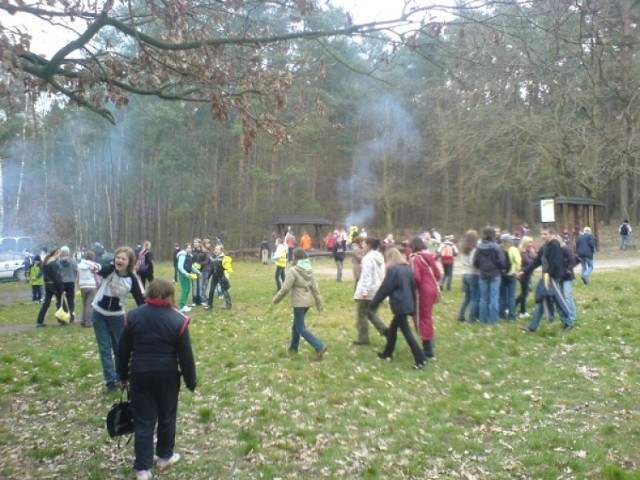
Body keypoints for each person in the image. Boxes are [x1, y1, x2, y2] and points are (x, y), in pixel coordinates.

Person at [118, 279, 196, 480]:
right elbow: (186, 356)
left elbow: (123, 349)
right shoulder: (178, 319)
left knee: (143, 420)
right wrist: (190, 381)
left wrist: (123, 375)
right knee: (167, 416)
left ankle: (143, 469)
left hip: (140, 373)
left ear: (148, 294)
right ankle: (164, 456)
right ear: (170, 295)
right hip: (167, 375)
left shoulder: (133, 316)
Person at [89, 246, 145, 392]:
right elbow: (101, 269)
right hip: (99, 315)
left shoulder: (132, 279)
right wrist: (95, 267)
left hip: (117, 318)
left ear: (129, 262)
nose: (119, 260)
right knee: (105, 349)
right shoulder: (110, 270)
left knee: (120, 349)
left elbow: (140, 300)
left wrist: (148, 315)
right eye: (118, 257)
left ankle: (122, 377)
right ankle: (110, 382)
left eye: (123, 259)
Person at [370, 248, 427, 369]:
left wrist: (374, 303)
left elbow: (385, 288)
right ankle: (387, 352)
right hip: (408, 303)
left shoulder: (393, 270)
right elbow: (413, 286)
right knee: (393, 328)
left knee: (406, 332)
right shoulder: (407, 268)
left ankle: (420, 358)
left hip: (400, 304)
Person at [272, 247, 327, 359]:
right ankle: (293, 348)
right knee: (295, 326)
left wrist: (276, 299)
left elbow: (285, 288)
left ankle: (319, 346)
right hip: (307, 302)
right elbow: (315, 288)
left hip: (299, 303)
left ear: (295, 258)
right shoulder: (309, 270)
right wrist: (319, 303)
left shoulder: (293, 270)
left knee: (301, 327)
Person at [519, 227, 572, 333]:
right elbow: (536, 262)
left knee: (557, 301)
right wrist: (524, 271)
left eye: (545, 234)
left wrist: (549, 276)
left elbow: (555, 263)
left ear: (551, 234)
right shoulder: (544, 248)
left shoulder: (554, 246)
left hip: (552, 278)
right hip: (546, 278)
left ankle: (568, 323)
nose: (543, 236)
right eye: (542, 234)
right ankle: (532, 327)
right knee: (542, 301)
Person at [409, 237, 441, 359]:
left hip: (422, 291)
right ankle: (430, 344)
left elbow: (416, 277)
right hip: (431, 288)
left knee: (422, 318)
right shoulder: (429, 256)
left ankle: (427, 349)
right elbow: (437, 274)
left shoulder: (415, 258)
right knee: (428, 316)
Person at [352, 237, 388, 346]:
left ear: (368, 245)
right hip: (376, 289)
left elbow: (366, 276)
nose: (362, 245)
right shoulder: (379, 257)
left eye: (364, 243)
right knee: (371, 313)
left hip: (367, 291)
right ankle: (386, 331)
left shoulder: (367, 259)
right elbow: (382, 275)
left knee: (361, 314)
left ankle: (363, 339)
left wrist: (364, 290)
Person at [472, 227, 505, 325]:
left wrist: (481, 267)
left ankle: (483, 319)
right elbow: (502, 261)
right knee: (494, 297)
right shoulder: (496, 247)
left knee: (483, 298)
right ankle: (494, 320)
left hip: (483, 274)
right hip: (495, 274)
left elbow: (475, 261)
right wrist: (499, 267)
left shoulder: (479, 247)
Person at [36, 247, 64, 327]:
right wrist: (62, 289)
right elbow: (56, 277)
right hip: (54, 286)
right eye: (58, 254)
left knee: (46, 304)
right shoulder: (54, 264)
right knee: (60, 302)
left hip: (48, 285)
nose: (59, 255)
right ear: (55, 254)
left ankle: (39, 321)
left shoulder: (46, 262)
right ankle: (62, 320)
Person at [457, 230, 479, 323]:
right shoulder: (474, 250)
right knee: (474, 298)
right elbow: (472, 263)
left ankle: (461, 315)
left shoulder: (463, 249)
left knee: (467, 298)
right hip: (473, 274)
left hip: (464, 274)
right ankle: (472, 318)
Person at [498, 234, 521, 322]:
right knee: (511, 296)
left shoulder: (499, 249)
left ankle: (501, 315)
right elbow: (518, 261)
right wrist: (517, 270)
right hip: (511, 274)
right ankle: (511, 316)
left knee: (502, 296)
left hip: (502, 275)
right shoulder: (513, 249)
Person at [205, 244, 232, 310]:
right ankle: (209, 305)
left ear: (221, 250)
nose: (215, 250)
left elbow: (227, 268)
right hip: (214, 277)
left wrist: (227, 272)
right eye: (215, 249)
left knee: (224, 290)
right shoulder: (213, 258)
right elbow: (211, 269)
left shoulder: (224, 258)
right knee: (211, 290)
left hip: (221, 276)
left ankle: (228, 304)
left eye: (217, 249)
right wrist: (208, 277)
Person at [77, 250, 100, 328]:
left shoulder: (79, 265)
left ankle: (83, 321)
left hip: (82, 286)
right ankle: (88, 322)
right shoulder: (93, 265)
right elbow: (99, 268)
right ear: (92, 257)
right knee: (89, 305)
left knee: (84, 304)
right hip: (91, 285)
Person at [516, 236, 536, 318]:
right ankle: (522, 311)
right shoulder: (522, 252)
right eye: (530, 242)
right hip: (523, 274)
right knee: (525, 293)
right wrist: (532, 257)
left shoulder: (529, 251)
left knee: (524, 292)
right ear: (526, 243)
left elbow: (535, 259)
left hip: (528, 273)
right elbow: (529, 262)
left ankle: (513, 305)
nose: (531, 244)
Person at [176, 243, 199, 313]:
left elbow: (191, 266)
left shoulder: (189, 255)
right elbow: (180, 266)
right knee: (185, 290)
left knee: (188, 289)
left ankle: (184, 305)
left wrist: (197, 271)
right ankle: (181, 307)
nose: (190, 249)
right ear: (185, 248)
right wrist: (185, 273)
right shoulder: (182, 255)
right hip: (183, 275)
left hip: (188, 274)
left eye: (190, 248)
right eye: (188, 248)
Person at [59, 246, 79, 323]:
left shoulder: (58, 262)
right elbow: (76, 271)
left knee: (62, 299)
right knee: (71, 299)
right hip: (71, 282)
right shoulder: (73, 262)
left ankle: (64, 314)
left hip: (62, 282)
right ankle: (72, 313)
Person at [190, 238, 208, 306]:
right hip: (193, 271)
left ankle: (201, 300)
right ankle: (194, 301)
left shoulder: (203, 251)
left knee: (200, 286)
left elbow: (207, 260)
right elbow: (189, 260)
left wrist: (200, 264)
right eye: (194, 242)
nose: (194, 243)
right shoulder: (192, 251)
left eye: (196, 242)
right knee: (194, 286)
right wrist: (193, 265)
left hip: (201, 270)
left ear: (199, 243)